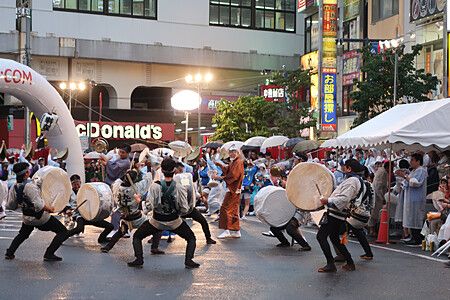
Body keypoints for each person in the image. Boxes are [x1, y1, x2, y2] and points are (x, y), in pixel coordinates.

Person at [128, 158, 200, 269]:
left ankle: (139, 259)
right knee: (191, 238)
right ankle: (189, 260)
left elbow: (149, 207)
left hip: (156, 221)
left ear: (161, 170)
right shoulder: (179, 187)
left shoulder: (155, 186)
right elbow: (185, 208)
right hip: (175, 222)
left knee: (137, 237)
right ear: (174, 170)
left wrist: (139, 201)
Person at [5, 162, 69, 261]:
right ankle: (49, 254)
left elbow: (10, 206)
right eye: (28, 170)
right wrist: (50, 209)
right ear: (26, 173)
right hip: (40, 218)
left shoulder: (15, 187)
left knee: (23, 234)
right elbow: (39, 206)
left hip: (27, 218)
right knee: (63, 231)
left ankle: (9, 253)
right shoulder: (30, 186)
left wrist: (22, 202)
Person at [316, 159, 365, 273]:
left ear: (349, 168)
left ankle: (330, 264)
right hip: (338, 213)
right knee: (334, 238)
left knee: (321, 237)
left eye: (345, 167)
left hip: (336, 213)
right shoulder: (355, 180)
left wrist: (327, 200)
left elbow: (344, 198)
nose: (343, 169)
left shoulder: (352, 181)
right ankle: (350, 262)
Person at [152, 162, 216, 246]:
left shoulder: (185, 177)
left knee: (203, 221)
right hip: (177, 208)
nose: (181, 171)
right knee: (163, 222)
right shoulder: (170, 180)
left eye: (182, 170)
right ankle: (154, 242)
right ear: (175, 170)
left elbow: (190, 191)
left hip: (188, 207)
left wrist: (199, 196)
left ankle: (208, 238)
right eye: (180, 170)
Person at [100, 170, 157, 253]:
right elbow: (147, 180)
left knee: (120, 232)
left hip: (125, 218)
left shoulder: (117, 187)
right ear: (134, 180)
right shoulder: (136, 188)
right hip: (137, 218)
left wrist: (126, 174)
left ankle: (108, 247)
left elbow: (118, 181)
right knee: (156, 226)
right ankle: (154, 247)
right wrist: (148, 168)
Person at [65, 174, 114, 244]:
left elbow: (96, 199)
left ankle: (102, 239)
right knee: (79, 228)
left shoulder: (86, 190)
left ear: (80, 182)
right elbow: (66, 203)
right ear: (71, 184)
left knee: (110, 226)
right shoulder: (70, 193)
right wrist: (68, 209)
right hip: (79, 215)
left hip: (91, 215)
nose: (76, 186)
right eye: (74, 184)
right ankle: (63, 236)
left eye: (78, 184)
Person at [215, 144, 245, 239]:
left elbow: (234, 175)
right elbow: (228, 170)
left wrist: (220, 177)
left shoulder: (238, 162)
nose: (232, 154)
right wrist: (219, 164)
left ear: (238, 153)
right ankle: (236, 230)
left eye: (234, 152)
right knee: (234, 210)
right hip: (234, 189)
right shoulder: (234, 162)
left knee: (225, 208)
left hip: (233, 189)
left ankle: (227, 229)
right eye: (231, 152)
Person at [397, 153, 427, 245]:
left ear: (418, 161)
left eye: (412, 160)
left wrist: (405, 176)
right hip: (410, 197)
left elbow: (416, 183)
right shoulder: (413, 171)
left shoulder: (421, 170)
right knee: (410, 217)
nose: (411, 162)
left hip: (417, 198)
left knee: (416, 217)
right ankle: (412, 236)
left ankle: (417, 238)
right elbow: (407, 183)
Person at [368, 161, 389, 236]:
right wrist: (382, 197)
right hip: (378, 195)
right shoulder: (383, 172)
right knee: (375, 213)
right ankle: (372, 230)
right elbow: (378, 186)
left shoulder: (382, 171)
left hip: (378, 194)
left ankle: (373, 229)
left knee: (376, 212)